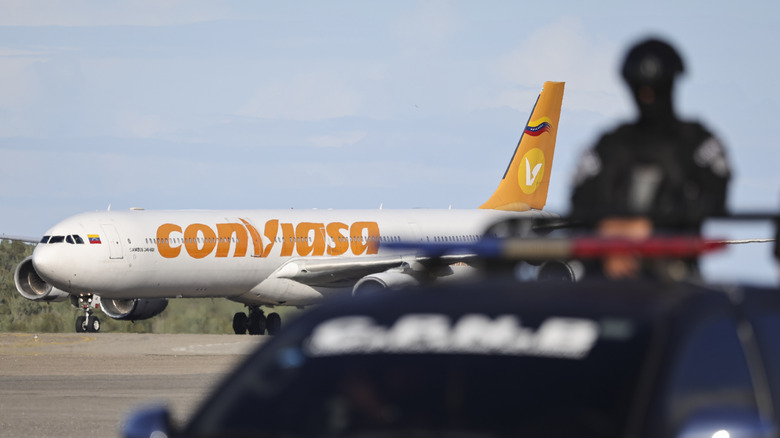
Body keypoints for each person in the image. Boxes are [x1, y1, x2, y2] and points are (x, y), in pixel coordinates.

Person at [570, 37, 731, 280]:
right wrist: (611, 237)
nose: (648, 95)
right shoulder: (611, 146)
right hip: (609, 277)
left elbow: (714, 198)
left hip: (672, 277)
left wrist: (648, 230)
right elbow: (580, 202)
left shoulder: (696, 145)